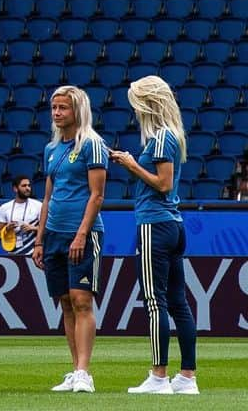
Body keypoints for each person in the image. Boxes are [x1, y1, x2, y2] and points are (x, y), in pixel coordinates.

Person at [110, 75, 199, 396]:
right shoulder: (172, 136)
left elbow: (162, 184)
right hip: (173, 225)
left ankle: (159, 376)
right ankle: (187, 377)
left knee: (154, 301)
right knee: (178, 302)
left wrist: (131, 165)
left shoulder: (160, 138)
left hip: (154, 224)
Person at [32, 85, 108, 394]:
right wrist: (39, 238)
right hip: (54, 234)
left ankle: (84, 371)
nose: (57, 113)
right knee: (64, 302)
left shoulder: (93, 144)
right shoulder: (51, 149)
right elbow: (48, 197)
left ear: (77, 111)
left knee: (81, 300)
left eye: (63, 108)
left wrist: (81, 235)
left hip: (83, 234)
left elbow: (97, 195)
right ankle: (75, 368)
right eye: (54, 108)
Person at [0, 175, 42, 256]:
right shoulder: (4, 207)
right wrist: (6, 229)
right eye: (24, 186)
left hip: (34, 253)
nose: (28, 188)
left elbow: (47, 230)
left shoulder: (38, 205)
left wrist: (33, 228)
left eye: (29, 185)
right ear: (15, 189)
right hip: (13, 253)